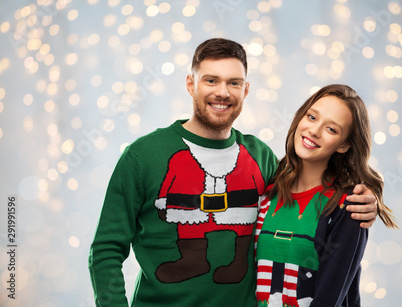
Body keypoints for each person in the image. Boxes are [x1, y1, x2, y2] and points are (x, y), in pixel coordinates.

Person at [88, 39, 379, 306]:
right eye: (211, 80)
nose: (223, 93)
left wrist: (365, 200)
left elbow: (308, 187)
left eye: (234, 83)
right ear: (191, 84)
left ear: (246, 90)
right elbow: (106, 250)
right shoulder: (143, 156)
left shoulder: (260, 156)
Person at [254, 84, 398, 307]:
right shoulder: (266, 189)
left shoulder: (348, 208)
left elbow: (329, 299)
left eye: (331, 129)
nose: (314, 130)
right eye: (312, 117)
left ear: (344, 145)